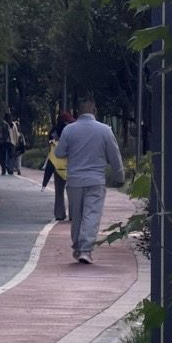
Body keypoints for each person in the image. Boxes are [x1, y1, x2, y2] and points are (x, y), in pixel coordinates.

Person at [54, 98, 124, 265]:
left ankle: (78, 246)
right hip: (96, 180)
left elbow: (59, 153)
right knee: (91, 214)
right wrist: (119, 176)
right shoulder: (105, 130)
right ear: (95, 111)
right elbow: (115, 156)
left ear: (78, 112)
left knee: (76, 216)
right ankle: (85, 249)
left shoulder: (69, 130)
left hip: (74, 180)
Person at [42, 109, 74, 220]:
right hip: (71, 165)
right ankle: (73, 215)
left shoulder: (54, 132)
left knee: (59, 191)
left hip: (57, 164)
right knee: (72, 192)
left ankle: (59, 214)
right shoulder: (72, 131)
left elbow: (51, 148)